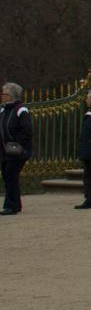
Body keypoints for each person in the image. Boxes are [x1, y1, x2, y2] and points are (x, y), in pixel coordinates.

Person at [0, 83, 32, 215]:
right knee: (7, 176)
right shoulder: (3, 110)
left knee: (10, 175)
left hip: (17, 150)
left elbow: (27, 130)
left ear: (11, 95)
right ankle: (16, 204)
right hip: (4, 150)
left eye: (4, 94)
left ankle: (11, 206)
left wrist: (16, 143)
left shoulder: (21, 110)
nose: (2, 96)